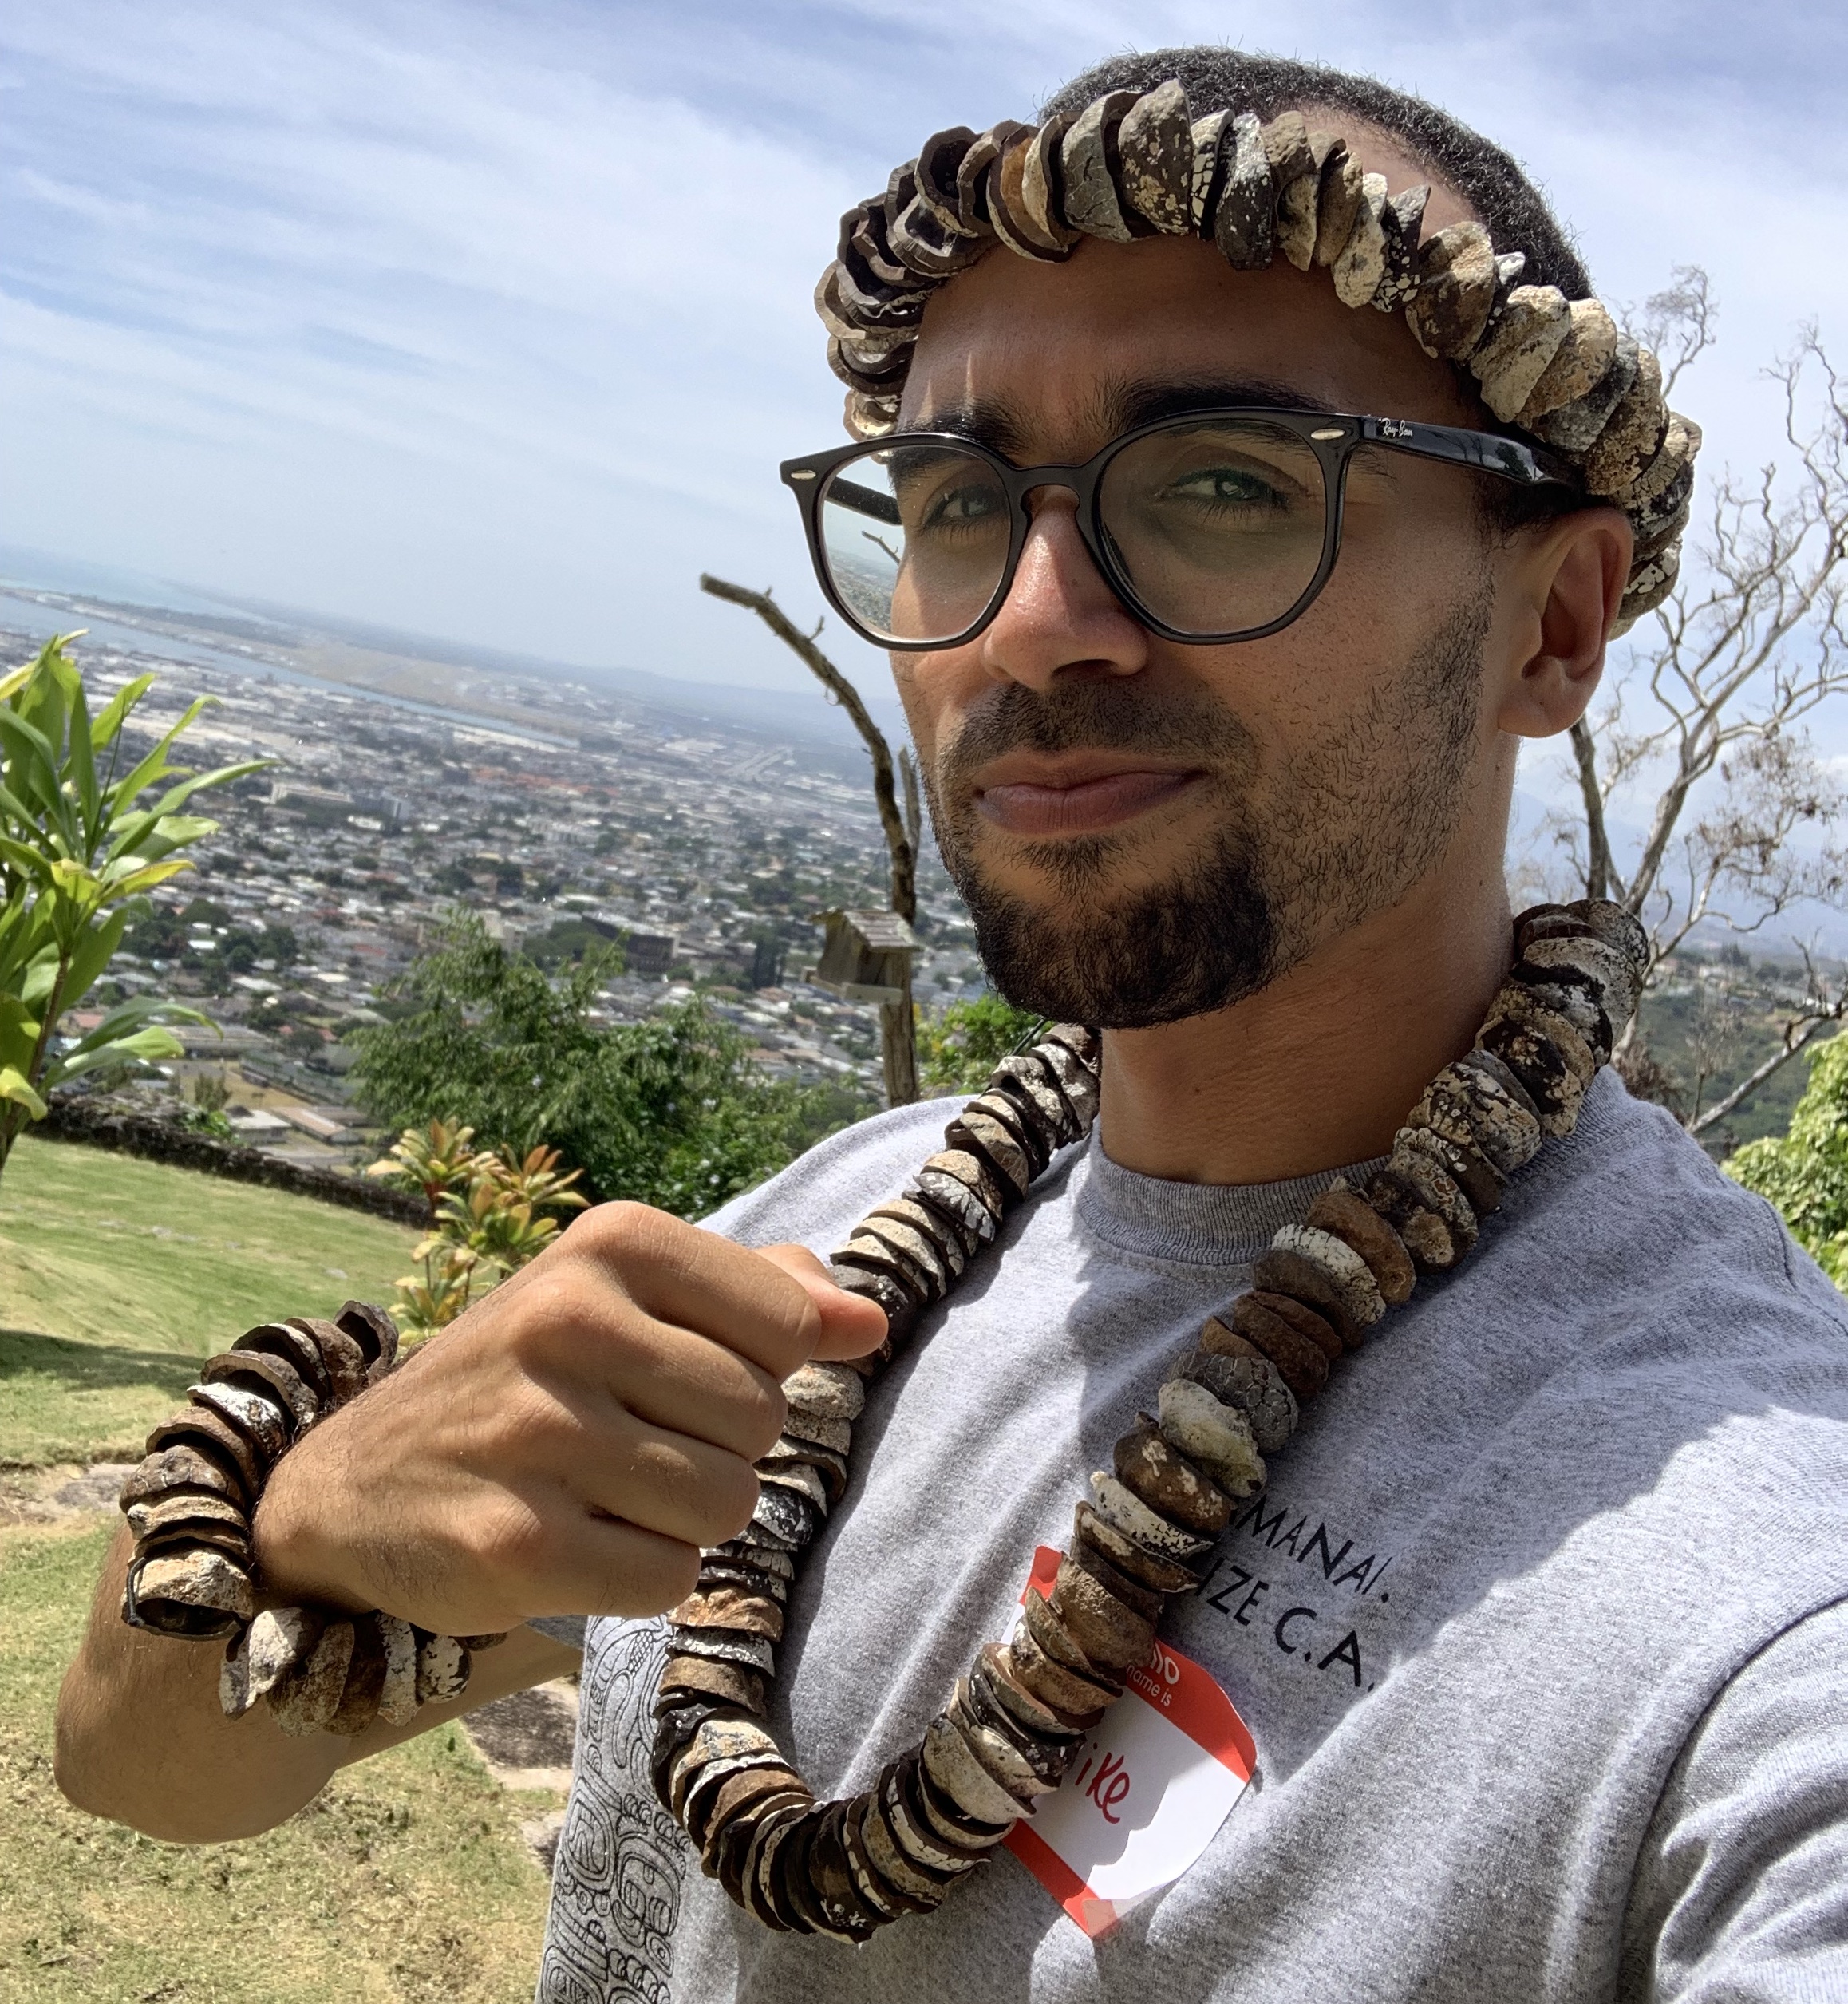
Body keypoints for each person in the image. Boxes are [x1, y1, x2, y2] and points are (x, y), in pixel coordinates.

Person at [57, 45, 1848, 2004]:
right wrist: (312, 1521)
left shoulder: (1751, 1595)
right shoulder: (834, 1244)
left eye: (1229, 484)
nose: (1032, 615)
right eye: (953, 495)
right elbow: (143, 1769)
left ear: (1556, 625)